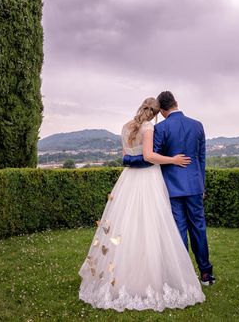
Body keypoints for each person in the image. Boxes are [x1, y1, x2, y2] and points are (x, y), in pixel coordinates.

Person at [78, 97, 205, 311]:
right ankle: (158, 273)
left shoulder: (126, 127)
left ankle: (123, 272)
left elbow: (127, 156)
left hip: (128, 180)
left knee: (127, 224)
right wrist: (173, 159)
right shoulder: (148, 128)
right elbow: (148, 156)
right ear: (156, 113)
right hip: (148, 179)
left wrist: (128, 161)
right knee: (154, 223)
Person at [123, 91, 215, 286]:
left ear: (162, 111)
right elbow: (201, 158)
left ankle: (183, 275)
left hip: (171, 187)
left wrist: (128, 159)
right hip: (195, 186)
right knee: (199, 227)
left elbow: (150, 158)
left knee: (179, 229)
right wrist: (201, 184)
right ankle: (206, 273)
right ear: (176, 103)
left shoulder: (161, 128)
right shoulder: (198, 125)